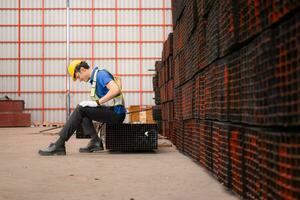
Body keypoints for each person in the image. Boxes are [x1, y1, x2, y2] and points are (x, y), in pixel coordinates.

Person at [39, 60, 126, 156]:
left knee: (81, 109)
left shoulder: (101, 75)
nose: (79, 79)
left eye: (78, 76)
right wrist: (94, 104)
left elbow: (115, 90)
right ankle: (95, 141)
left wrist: (97, 103)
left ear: (82, 69)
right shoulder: (95, 80)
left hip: (116, 114)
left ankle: (59, 144)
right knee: (83, 109)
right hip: (111, 112)